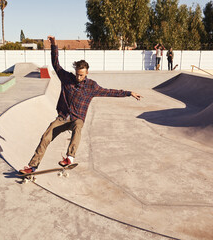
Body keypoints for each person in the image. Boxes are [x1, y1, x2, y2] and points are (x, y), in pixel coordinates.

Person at [19, 36, 143, 174]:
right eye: (77, 74)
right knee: (46, 137)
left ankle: (69, 157)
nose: (78, 78)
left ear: (87, 73)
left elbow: (109, 92)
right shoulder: (67, 78)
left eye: (82, 75)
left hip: (77, 119)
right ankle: (33, 166)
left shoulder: (91, 86)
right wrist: (54, 45)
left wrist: (128, 93)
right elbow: (56, 64)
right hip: (63, 117)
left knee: (78, 127)